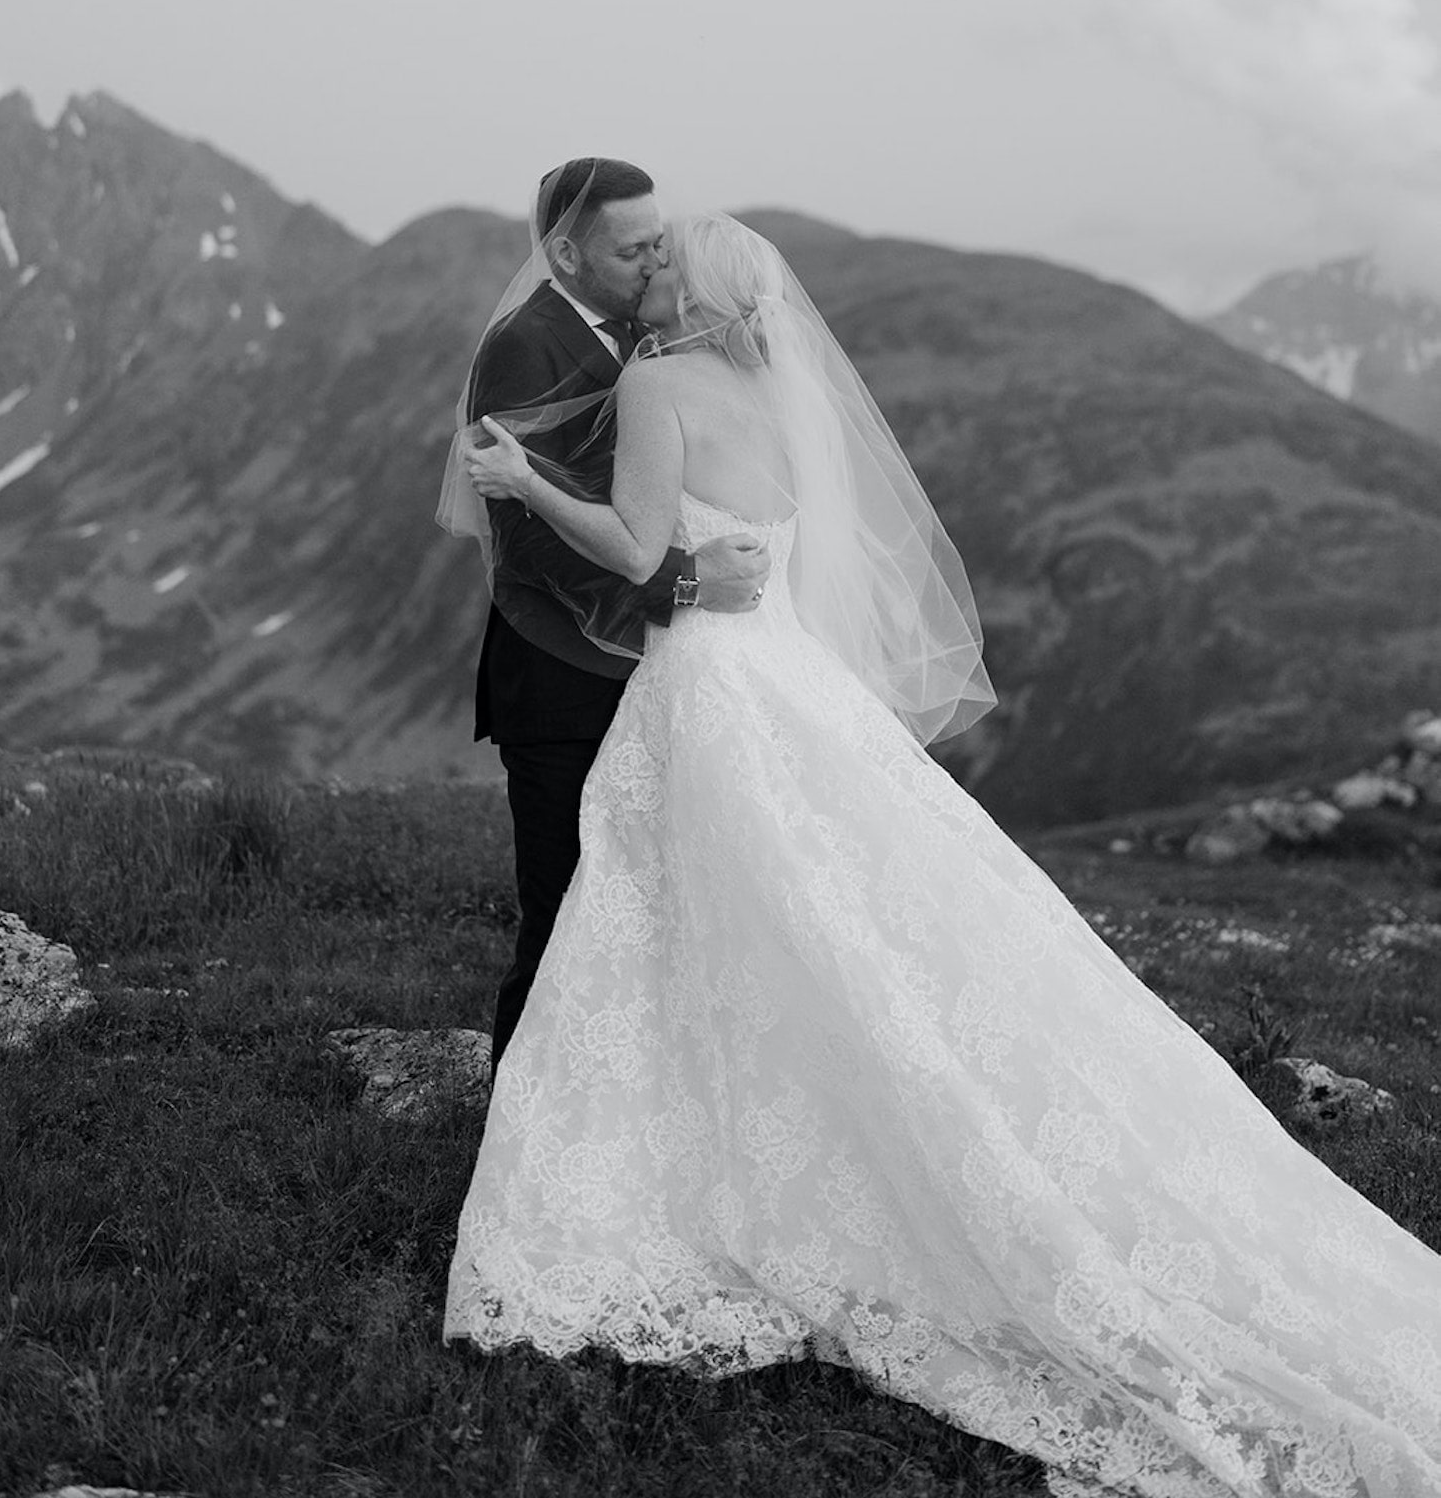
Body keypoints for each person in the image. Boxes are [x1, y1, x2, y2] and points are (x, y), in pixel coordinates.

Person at [442, 211, 1441, 1498]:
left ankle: (730, 1168)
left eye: (661, 258)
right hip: (797, 680)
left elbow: (639, 552)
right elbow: (768, 552)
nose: (649, 272)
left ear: (686, 285)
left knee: (688, 926)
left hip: (714, 690)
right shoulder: (766, 385)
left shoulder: (653, 383)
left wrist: (525, 484)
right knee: (815, 925)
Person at [437, 160, 770, 1071]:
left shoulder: (653, 339)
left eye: (659, 242)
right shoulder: (524, 345)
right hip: (558, 684)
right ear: (565, 253)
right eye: (632, 249)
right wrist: (687, 582)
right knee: (562, 916)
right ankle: (514, 1129)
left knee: (640, 918)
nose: (654, 260)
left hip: (650, 676)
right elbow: (529, 541)